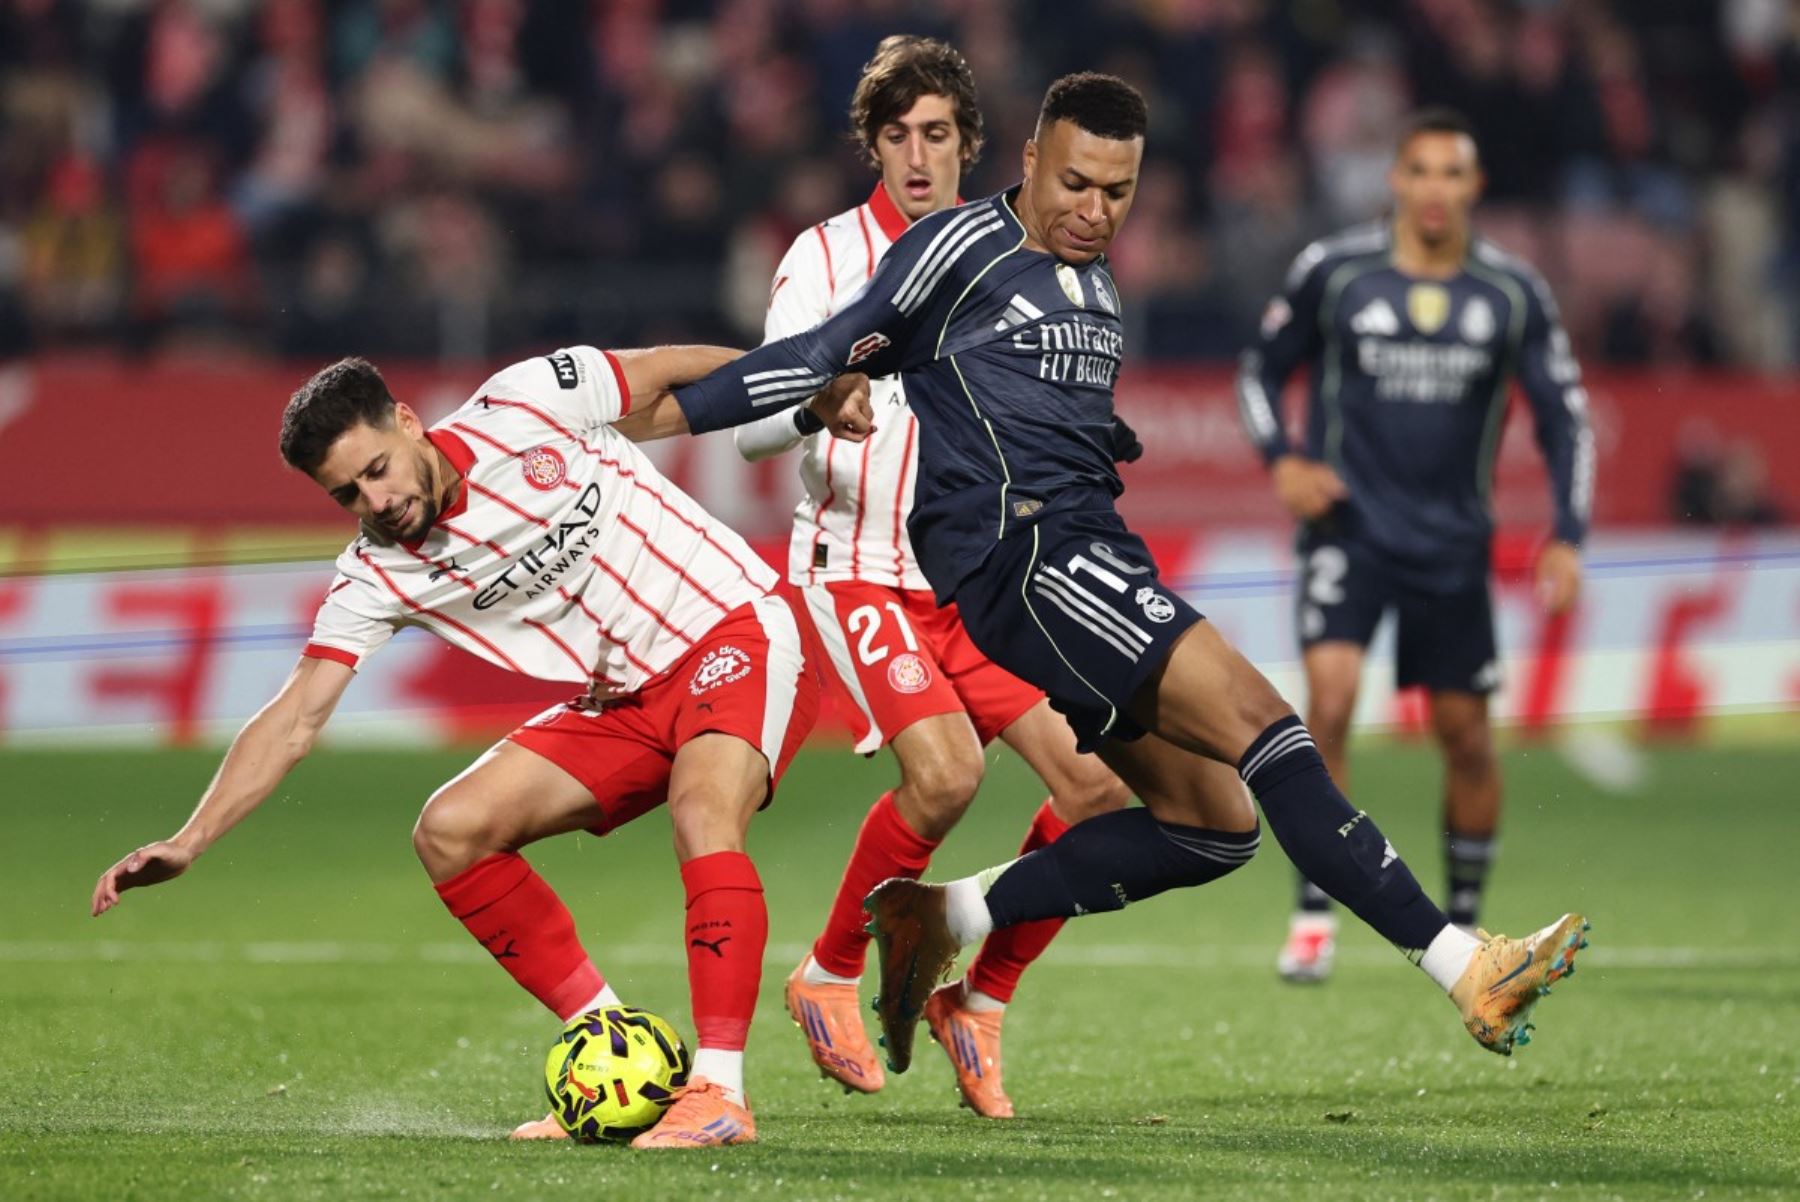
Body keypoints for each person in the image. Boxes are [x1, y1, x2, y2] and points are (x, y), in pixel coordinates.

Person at [672, 73, 1589, 1075]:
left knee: (1213, 826)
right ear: (1027, 161)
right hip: (1028, 559)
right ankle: (1468, 965)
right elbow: (809, 353)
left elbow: (1023, 395)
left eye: (1116, 192)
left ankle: (942, 912)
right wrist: (648, 415)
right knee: (1269, 724)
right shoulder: (956, 249)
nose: (1092, 210)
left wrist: (1096, 431)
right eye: (1073, 182)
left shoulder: (1096, 282)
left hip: (1085, 554)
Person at [89, 345, 871, 1149]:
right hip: (620, 701)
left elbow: (677, 367)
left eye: (379, 469)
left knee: (704, 812)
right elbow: (295, 717)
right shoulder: (375, 575)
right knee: (451, 830)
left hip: (731, 627)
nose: (377, 500)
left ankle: (718, 1093)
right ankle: (616, 1056)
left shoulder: (527, 402)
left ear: (407, 420)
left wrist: (816, 375)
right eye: (348, 494)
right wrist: (191, 840)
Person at [732, 35, 1202, 1119]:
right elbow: (754, 427)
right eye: (896, 136)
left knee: (1097, 789)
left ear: (975, 145)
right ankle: (829, 968)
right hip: (857, 569)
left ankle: (976, 1001)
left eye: (937, 133)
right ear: (874, 147)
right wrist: (813, 399)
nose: (917, 156)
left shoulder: (1009, 255)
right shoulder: (827, 257)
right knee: (946, 777)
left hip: (978, 577)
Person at [1236, 108, 1595, 983]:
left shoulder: (1510, 293)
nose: (1434, 189)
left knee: (1466, 737)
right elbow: (1258, 369)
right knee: (1328, 697)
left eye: (1452, 173)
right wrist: (1282, 461)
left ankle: (1464, 931)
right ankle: (1315, 913)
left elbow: (1565, 418)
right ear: (1395, 180)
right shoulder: (1337, 271)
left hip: (1449, 545)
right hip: (1347, 528)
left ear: (1474, 187)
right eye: (1420, 171)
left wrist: (1569, 535)